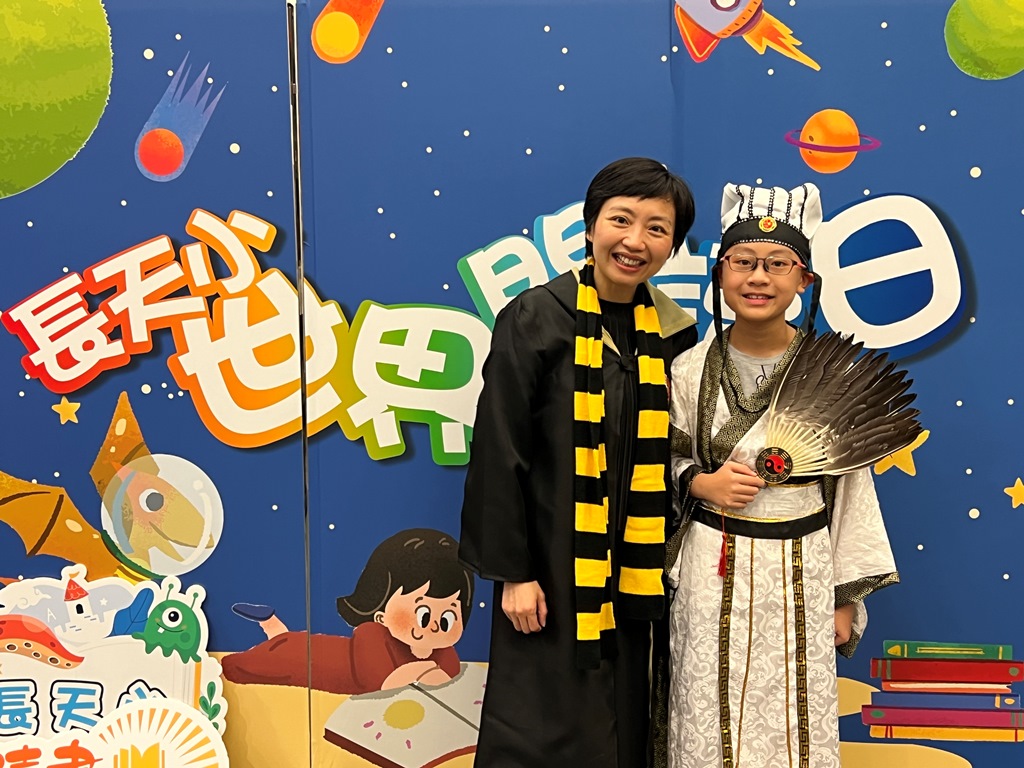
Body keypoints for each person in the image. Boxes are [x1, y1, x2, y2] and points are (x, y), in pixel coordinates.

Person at [460, 157, 699, 768]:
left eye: (657, 228)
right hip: (550, 567)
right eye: (621, 219)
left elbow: (681, 452)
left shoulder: (674, 335)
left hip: (637, 575)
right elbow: (499, 449)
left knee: (624, 726)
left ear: (672, 246)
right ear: (591, 225)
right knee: (539, 732)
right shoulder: (536, 317)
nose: (635, 241)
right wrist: (514, 574)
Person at [664, 183, 899, 768]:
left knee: (795, 715)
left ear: (804, 280)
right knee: (704, 703)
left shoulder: (830, 376)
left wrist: (844, 598)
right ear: (720, 273)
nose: (758, 278)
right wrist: (698, 482)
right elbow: (661, 459)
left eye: (777, 264)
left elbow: (852, 489)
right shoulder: (687, 369)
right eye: (743, 261)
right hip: (712, 563)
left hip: (803, 567)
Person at [222, 528, 473, 694]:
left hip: (311, 649)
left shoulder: (442, 648)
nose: (435, 626)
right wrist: (425, 671)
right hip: (309, 658)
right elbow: (383, 682)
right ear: (381, 615)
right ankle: (270, 622)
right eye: (424, 615)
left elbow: (449, 675)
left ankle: (272, 625)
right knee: (263, 660)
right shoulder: (372, 635)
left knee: (283, 641)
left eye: (448, 617)